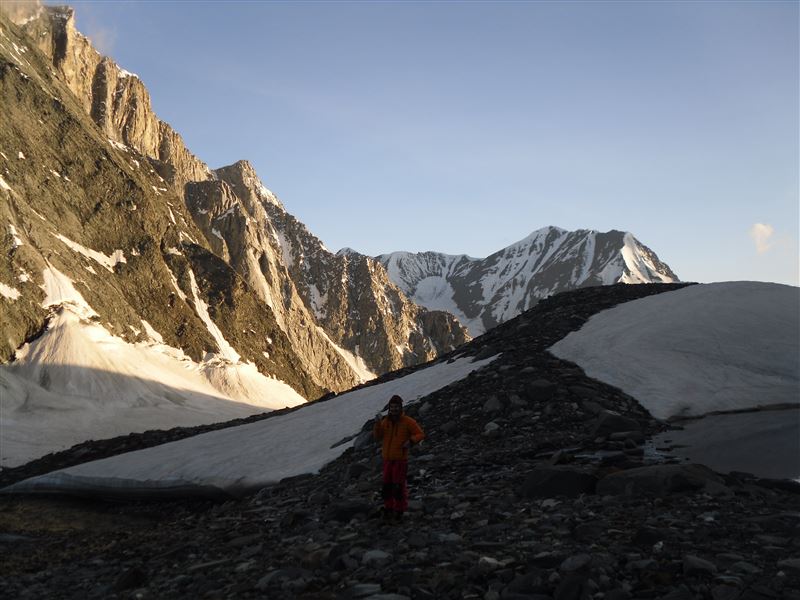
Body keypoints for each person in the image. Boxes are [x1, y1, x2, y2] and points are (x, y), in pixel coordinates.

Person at [373, 394, 425, 522]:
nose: (394, 409)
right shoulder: (386, 422)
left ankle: (399, 510)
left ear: (400, 408)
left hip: (400, 460)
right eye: (392, 407)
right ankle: (389, 508)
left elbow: (420, 434)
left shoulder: (408, 421)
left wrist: (411, 441)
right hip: (387, 459)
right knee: (387, 486)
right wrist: (377, 424)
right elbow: (378, 436)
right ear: (389, 408)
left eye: (396, 407)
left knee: (398, 486)